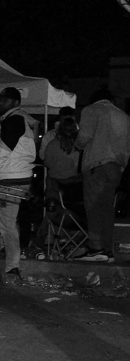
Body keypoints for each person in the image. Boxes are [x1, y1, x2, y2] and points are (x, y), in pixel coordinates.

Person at [74, 88, 130, 262]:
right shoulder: (123, 116)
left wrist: (77, 145)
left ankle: (96, 249)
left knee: (93, 208)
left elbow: (84, 137)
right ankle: (107, 249)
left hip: (97, 165)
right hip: (116, 168)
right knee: (107, 209)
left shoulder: (92, 110)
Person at [0, 87, 36, 280]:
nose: (1, 103)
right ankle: (10, 259)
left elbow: (3, 151)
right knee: (8, 221)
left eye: (5, 100)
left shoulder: (14, 119)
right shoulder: (20, 119)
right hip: (19, 176)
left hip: (10, 177)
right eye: (0, 99)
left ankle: (12, 266)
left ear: (16, 102)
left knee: (6, 223)